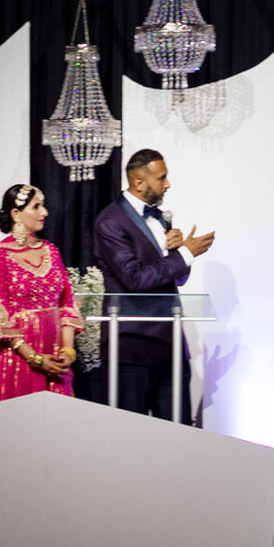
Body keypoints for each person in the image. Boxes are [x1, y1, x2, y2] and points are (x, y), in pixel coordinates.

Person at [92, 148, 214, 420]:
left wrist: (178, 252)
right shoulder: (111, 222)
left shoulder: (160, 217)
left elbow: (175, 278)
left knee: (178, 435)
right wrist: (186, 254)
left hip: (169, 344)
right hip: (132, 348)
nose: (167, 184)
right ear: (138, 182)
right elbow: (134, 279)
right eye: (162, 178)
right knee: (133, 438)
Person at [0, 183, 83, 405]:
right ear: (16, 214)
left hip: (55, 359)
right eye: (36, 207)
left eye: (43, 206)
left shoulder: (51, 251)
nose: (44, 212)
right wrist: (34, 358)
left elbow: (67, 305)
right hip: (16, 360)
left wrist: (67, 351)